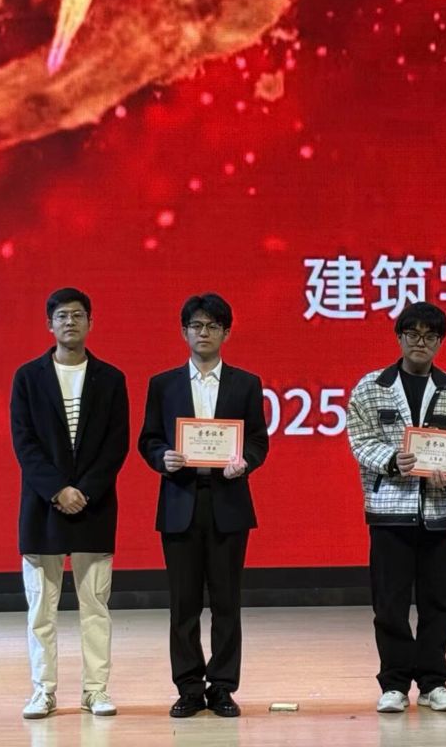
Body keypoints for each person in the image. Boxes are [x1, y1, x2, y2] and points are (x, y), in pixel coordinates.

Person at [138, 292, 270, 719]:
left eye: (213, 326)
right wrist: (162, 457)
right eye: (196, 326)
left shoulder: (245, 383)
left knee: (227, 603)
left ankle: (224, 687)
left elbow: (258, 440)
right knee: (184, 605)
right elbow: (148, 439)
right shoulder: (163, 384)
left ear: (226, 333)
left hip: (228, 501)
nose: (204, 332)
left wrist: (245, 461)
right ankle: (189, 688)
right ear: (184, 332)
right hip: (180, 501)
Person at [346, 301, 446, 713]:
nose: (420, 342)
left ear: (440, 342)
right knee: (389, 602)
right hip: (390, 510)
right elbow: (360, 439)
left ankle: (433, 682)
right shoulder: (371, 386)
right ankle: (393, 683)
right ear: (399, 337)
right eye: (412, 334)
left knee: (440, 601)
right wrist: (392, 460)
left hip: (441, 511)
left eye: (430, 336)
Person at [8, 287, 125, 721]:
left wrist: (85, 491)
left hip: (95, 507)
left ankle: (96, 690)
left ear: (91, 322)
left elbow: (115, 445)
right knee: (42, 608)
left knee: (96, 606)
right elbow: (24, 442)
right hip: (43, 508)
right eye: (61, 316)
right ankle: (43, 691)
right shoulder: (28, 377)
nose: (70, 322)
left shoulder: (111, 379)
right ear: (49, 324)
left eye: (77, 315)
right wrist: (58, 490)